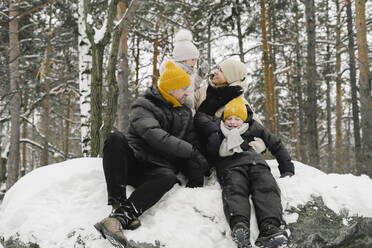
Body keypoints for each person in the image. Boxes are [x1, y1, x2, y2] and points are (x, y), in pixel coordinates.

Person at [94, 61, 209, 248]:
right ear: (170, 89)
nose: (187, 93)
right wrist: (190, 151)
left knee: (168, 177)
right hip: (134, 161)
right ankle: (118, 202)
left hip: (156, 170)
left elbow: (192, 143)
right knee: (115, 139)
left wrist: (197, 176)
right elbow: (154, 136)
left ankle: (119, 218)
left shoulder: (185, 114)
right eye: (183, 89)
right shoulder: (144, 105)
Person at [194, 97, 295, 248]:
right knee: (235, 190)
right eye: (229, 118)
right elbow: (206, 148)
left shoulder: (253, 126)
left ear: (244, 119)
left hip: (256, 163)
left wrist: (286, 167)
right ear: (224, 118)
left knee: (266, 187)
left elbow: (275, 143)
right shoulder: (216, 129)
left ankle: (269, 228)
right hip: (230, 167)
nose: (233, 122)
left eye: (237, 119)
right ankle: (240, 226)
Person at [195, 58, 266, 154]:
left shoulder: (239, 103)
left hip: (221, 157)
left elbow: (261, 137)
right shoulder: (203, 92)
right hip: (196, 147)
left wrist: (241, 149)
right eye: (217, 68)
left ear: (231, 76)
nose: (215, 72)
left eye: (221, 71)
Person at [159, 29, 209, 115]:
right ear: (182, 58)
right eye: (192, 59)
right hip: (177, 111)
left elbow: (192, 86)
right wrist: (185, 101)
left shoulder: (189, 71)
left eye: (196, 60)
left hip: (189, 111)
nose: (194, 62)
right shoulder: (174, 72)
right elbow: (169, 92)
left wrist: (200, 75)